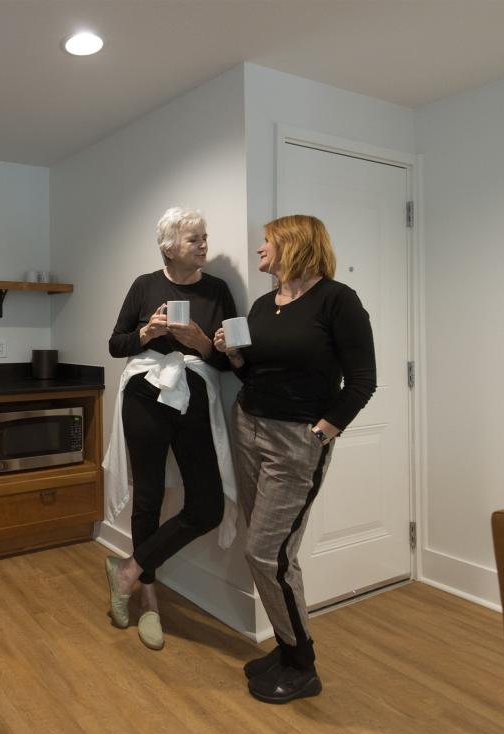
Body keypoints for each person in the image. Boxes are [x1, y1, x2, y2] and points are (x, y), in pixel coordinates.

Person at [213, 214, 376, 704]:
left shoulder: (338, 301)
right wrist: (234, 356)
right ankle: (286, 649)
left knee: (268, 552)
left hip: (295, 441)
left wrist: (321, 434)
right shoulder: (265, 305)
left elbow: (363, 381)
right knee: (262, 545)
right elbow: (254, 372)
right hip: (248, 427)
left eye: (267, 241)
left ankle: (302, 664)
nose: (260, 249)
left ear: (293, 244)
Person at [102, 207, 238, 650]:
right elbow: (116, 344)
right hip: (144, 396)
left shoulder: (217, 291)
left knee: (207, 505)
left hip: (193, 395)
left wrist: (202, 343)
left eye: (204, 237)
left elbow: (233, 359)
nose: (203, 245)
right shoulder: (145, 285)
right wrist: (147, 332)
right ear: (169, 247)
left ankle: (128, 569)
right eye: (193, 239)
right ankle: (150, 600)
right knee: (148, 496)